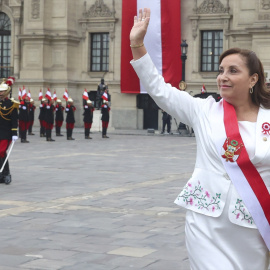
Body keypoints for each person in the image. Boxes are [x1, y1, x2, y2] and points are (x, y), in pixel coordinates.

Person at [129, 8, 270, 269]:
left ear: (253, 79)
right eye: (221, 70)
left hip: (253, 224)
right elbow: (160, 91)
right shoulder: (204, 110)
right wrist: (137, 45)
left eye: (233, 71)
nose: (223, 77)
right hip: (206, 221)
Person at [0, 80, 18, 184]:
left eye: (2, 91)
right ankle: (1, 174)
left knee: (1, 152)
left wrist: (14, 133)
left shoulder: (12, 104)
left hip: (6, 133)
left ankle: (6, 173)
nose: (0, 93)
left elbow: (14, 120)